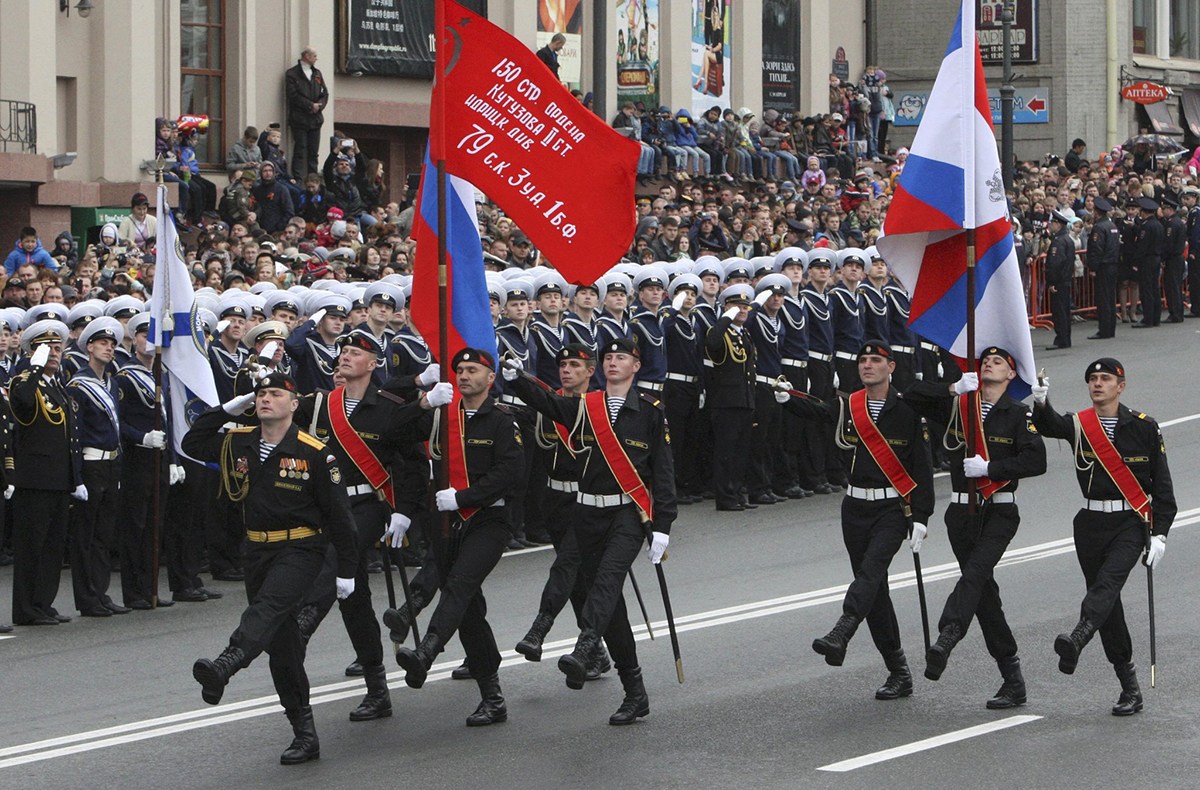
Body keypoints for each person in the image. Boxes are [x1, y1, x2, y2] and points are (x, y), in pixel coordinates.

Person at [185, 372, 357, 764]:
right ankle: (304, 733)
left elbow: (339, 518)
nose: (265, 399)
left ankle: (227, 663)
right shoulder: (240, 441)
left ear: (293, 404)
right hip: (257, 551)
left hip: (301, 549)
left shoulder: (315, 452)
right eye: (260, 394)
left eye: (275, 394)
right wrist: (230, 408)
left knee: (267, 609)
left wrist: (345, 570)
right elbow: (191, 442)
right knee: (284, 648)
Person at [503, 336, 675, 724]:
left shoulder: (649, 411)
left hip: (627, 516)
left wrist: (662, 526)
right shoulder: (586, 406)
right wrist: (515, 380)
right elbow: (547, 402)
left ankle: (585, 649)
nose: (613, 362)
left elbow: (663, 472)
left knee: (606, 584)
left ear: (636, 366)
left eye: (622, 358)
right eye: (608, 357)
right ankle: (635, 693)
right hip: (586, 512)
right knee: (595, 593)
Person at [290, 329, 448, 720]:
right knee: (354, 599)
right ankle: (378, 689)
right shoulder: (321, 406)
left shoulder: (391, 407)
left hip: (369, 504)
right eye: (342, 351)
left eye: (355, 353)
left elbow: (410, 465)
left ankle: (304, 622)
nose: (345, 356)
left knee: (336, 557)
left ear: (373, 364)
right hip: (329, 503)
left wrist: (405, 511)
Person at [780, 341, 934, 700]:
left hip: (892, 510)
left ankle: (842, 631)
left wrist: (921, 517)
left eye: (875, 361)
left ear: (890, 367)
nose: (867, 366)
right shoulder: (850, 406)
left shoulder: (908, 409)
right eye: (863, 360)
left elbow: (923, 468)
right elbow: (818, 411)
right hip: (855, 508)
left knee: (870, 573)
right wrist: (787, 399)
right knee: (875, 591)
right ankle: (898, 671)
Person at [1031, 358, 1175, 716]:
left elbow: (1163, 489)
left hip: (1130, 523)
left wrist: (1160, 534)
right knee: (1107, 603)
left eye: (1105, 378)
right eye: (1092, 379)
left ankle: (1080, 634)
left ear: (1120, 386)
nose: (1097, 384)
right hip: (1090, 523)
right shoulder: (1080, 424)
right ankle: (1130, 687)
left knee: (1106, 585)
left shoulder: (1144, 427)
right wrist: (1041, 402)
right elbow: (1049, 427)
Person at [903, 347, 1046, 707]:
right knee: (984, 595)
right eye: (984, 361)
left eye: (998, 362)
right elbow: (911, 395)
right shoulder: (959, 406)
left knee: (974, 576)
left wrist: (991, 470)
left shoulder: (1017, 413)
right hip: (961, 513)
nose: (988, 365)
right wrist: (953, 388)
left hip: (998, 511)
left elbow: (1036, 459)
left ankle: (948, 634)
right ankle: (1012, 677)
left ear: (1012, 375)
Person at [395, 348, 524, 728]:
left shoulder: (502, 420)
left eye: (473, 370)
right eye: (460, 370)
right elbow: (393, 432)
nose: (464, 375)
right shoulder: (440, 416)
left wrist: (464, 498)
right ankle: (492, 696)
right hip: (447, 520)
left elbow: (510, 473)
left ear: (490, 377)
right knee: (467, 610)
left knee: (459, 584)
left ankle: (427, 650)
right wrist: (422, 401)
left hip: (488, 518)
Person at [510, 344, 611, 683]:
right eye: (562, 364)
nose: (566, 370)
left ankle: (540, 628)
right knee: (579, 581)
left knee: (566, 565)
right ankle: (595, 651)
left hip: (588, 503)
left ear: (590, 371)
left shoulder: (599, 408)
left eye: (574, 365)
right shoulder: (545, 407)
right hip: (554, 502)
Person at [9, 320, 81, 627]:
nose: (53, 352)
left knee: (52, 547)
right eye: (45, 347)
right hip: (35, 479)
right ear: (31, 352)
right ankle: (26, 609)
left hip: (58, 479)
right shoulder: (23, 382)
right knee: (32, 547)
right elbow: (23, 404)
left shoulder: (59, 386)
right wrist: (34, 368)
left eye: (57, 347)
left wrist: (75, 477)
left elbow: (71, 436)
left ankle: (43, 602)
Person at [66, 317, 130, 618]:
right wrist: (75, 476)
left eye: (113, 344)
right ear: (89, 346)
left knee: (104, 535)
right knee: (85, 536)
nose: (109, 348)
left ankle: (101, 592)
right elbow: (75, 433)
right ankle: (87, 597)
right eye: (103, 343)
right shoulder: (79, 384)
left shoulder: (111, 381)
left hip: (111, 463)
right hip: (90, 463)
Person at [704, 285, 757, 511]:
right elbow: (712, 344)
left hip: (744, 400)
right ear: (726, 308)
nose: (742, 310)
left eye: (745, 307)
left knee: (741, 452)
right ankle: (725, 497)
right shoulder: (719, 332)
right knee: (726, 452)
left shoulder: (744, 333)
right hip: (726, 402)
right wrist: (725, 319)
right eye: (737, 306)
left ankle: (737, 492)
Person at [285, 47, 329, 178]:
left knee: (314, 152)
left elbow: (325, 93)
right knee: (300, 149)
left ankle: (313, 177)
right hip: (300, 119)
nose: (317, 58)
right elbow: (293, 95)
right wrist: (310, 105)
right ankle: (298, 178)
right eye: (314, 55)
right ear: (306, 56)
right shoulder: (292, 74)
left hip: (316, 119)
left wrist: (319, 106)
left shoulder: (317, 73)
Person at [1086, 197, 1120, 339]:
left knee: (1103, 298)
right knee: (1110, 297)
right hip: (1113, 264)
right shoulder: (1112, 226)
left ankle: (1104, 329)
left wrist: (1093, 266)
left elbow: (1096, 249)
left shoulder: (1099, 227)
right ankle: (1110, 328)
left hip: (1103, 266)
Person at [1130, 196, 1164, 329]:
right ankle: (1156, 317)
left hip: (1147, 260)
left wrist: (1135, 262)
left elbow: (1142, 246)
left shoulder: (1147, 226)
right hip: (1156, 258)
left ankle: (1148, 318)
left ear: (1144, 212)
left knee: (1146, 290)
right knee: (1155, 289)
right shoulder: (1159, 225)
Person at [1043, 208, 1075, 349]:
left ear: (1058, 224)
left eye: (1052, 223)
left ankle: (1062, 339)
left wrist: (1052, 282)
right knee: (1064, 310)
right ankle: (1065, 338)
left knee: (1060, 311)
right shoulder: (1067, 239)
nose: (1050, 225)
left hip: (1059, 282)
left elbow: (1056, 264)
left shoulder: (1058, 242)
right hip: (1066, 280)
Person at [1159, 193, 1186, 323]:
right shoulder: (1177, 222)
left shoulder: (1172, 224)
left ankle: (1175, 313)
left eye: (1164, 209)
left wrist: (1163, 258)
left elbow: (1168, 244)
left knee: (1172, 287)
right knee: (1175, 286)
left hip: (1173, 259)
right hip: (1177, 258)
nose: (1162, 211)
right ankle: (1177, 312)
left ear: (1169, 209)